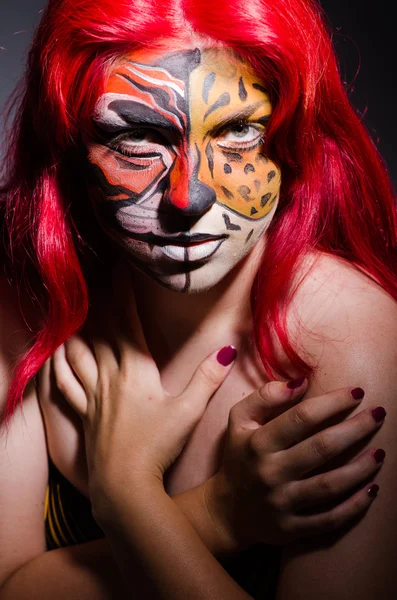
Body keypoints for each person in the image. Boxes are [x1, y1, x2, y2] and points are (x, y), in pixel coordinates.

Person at [0, 0, 396, 598]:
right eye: (135, 136)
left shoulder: (350, 334)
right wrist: (219, 516)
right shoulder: (26, 299)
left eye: (237, 130)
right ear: (68, 145)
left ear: (291, 135)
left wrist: (129, 494)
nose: (190, 197)